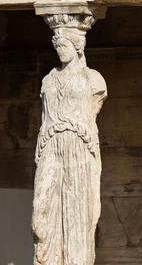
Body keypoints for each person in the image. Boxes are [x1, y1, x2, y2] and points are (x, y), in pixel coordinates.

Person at [32, 31, 107, 265]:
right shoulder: (48, 80)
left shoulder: (93, 79)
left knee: (77, 212)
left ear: (77, 47)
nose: (60, 50)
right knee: (40, 213)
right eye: (57, 45)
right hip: (51, 145)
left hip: (78, 145)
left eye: (64, 45)